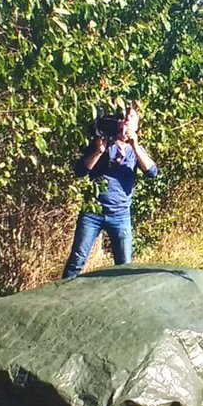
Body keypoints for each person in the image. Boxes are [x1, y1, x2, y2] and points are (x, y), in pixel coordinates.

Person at [61, 106, 158, 279]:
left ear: (137, 125)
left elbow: (152, 172)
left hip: (120, 215)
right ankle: (61, 298)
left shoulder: (137, 150)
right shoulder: (103, 143)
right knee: (77, 260)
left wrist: (134, 145)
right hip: (92, 212)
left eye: (131, 118)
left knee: (125, 267)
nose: (126, 122)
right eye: (124, 118)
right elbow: (80, 171)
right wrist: (99, 152)